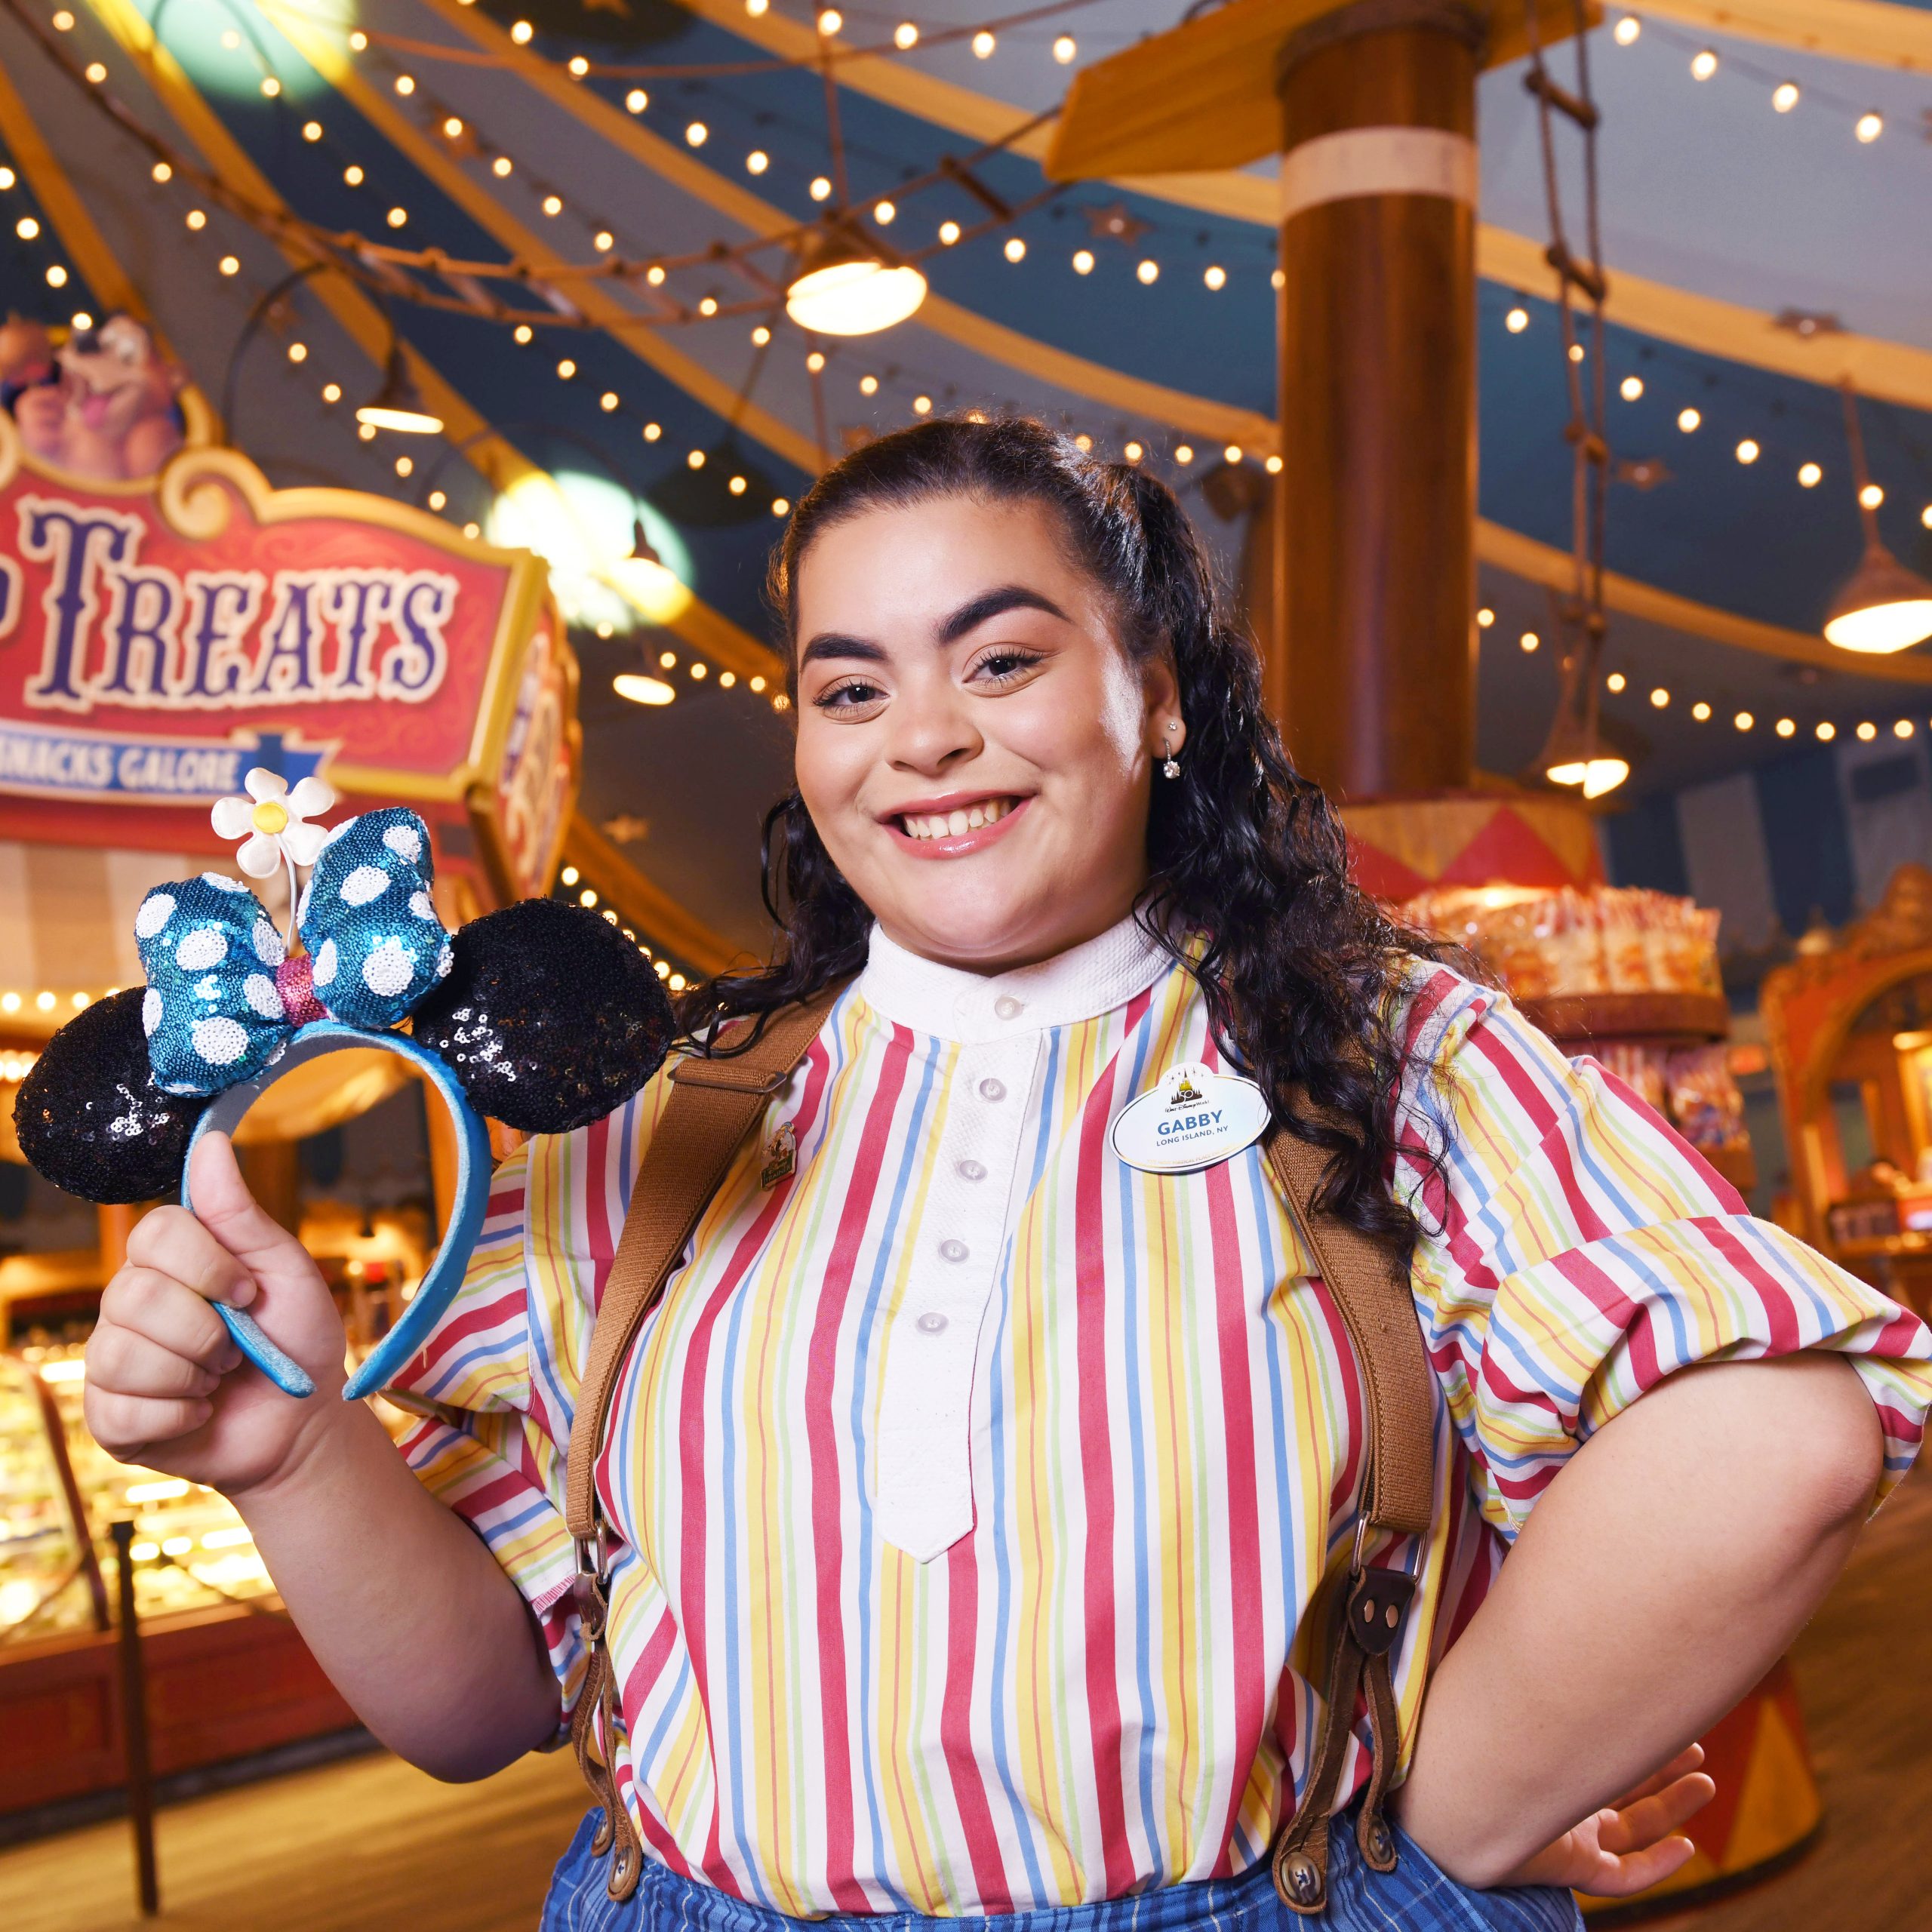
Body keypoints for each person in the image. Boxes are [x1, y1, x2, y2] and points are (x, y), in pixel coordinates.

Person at [82, 418, 1932, 1930]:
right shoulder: (660, 1131)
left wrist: (1460, 1807)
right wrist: (292, 1451)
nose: (924, 738)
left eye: (1001, 657)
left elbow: (1767, 1432)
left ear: (1157, 698)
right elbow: (479, 1712)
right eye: (848, 686)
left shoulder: (1385, 1059)